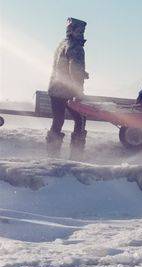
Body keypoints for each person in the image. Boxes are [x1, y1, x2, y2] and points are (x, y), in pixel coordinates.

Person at [47, 17, 89, 160]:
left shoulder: (62, 44)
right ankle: (76, 156)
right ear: (73, 30)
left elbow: (63, 67)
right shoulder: (75, 47)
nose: (82, 33)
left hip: (55, 88)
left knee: (58, 120)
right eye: (81, 30)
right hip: (68, 91)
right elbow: (74, 70)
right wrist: (78, 90)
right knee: (80, 118)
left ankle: (52, 155)